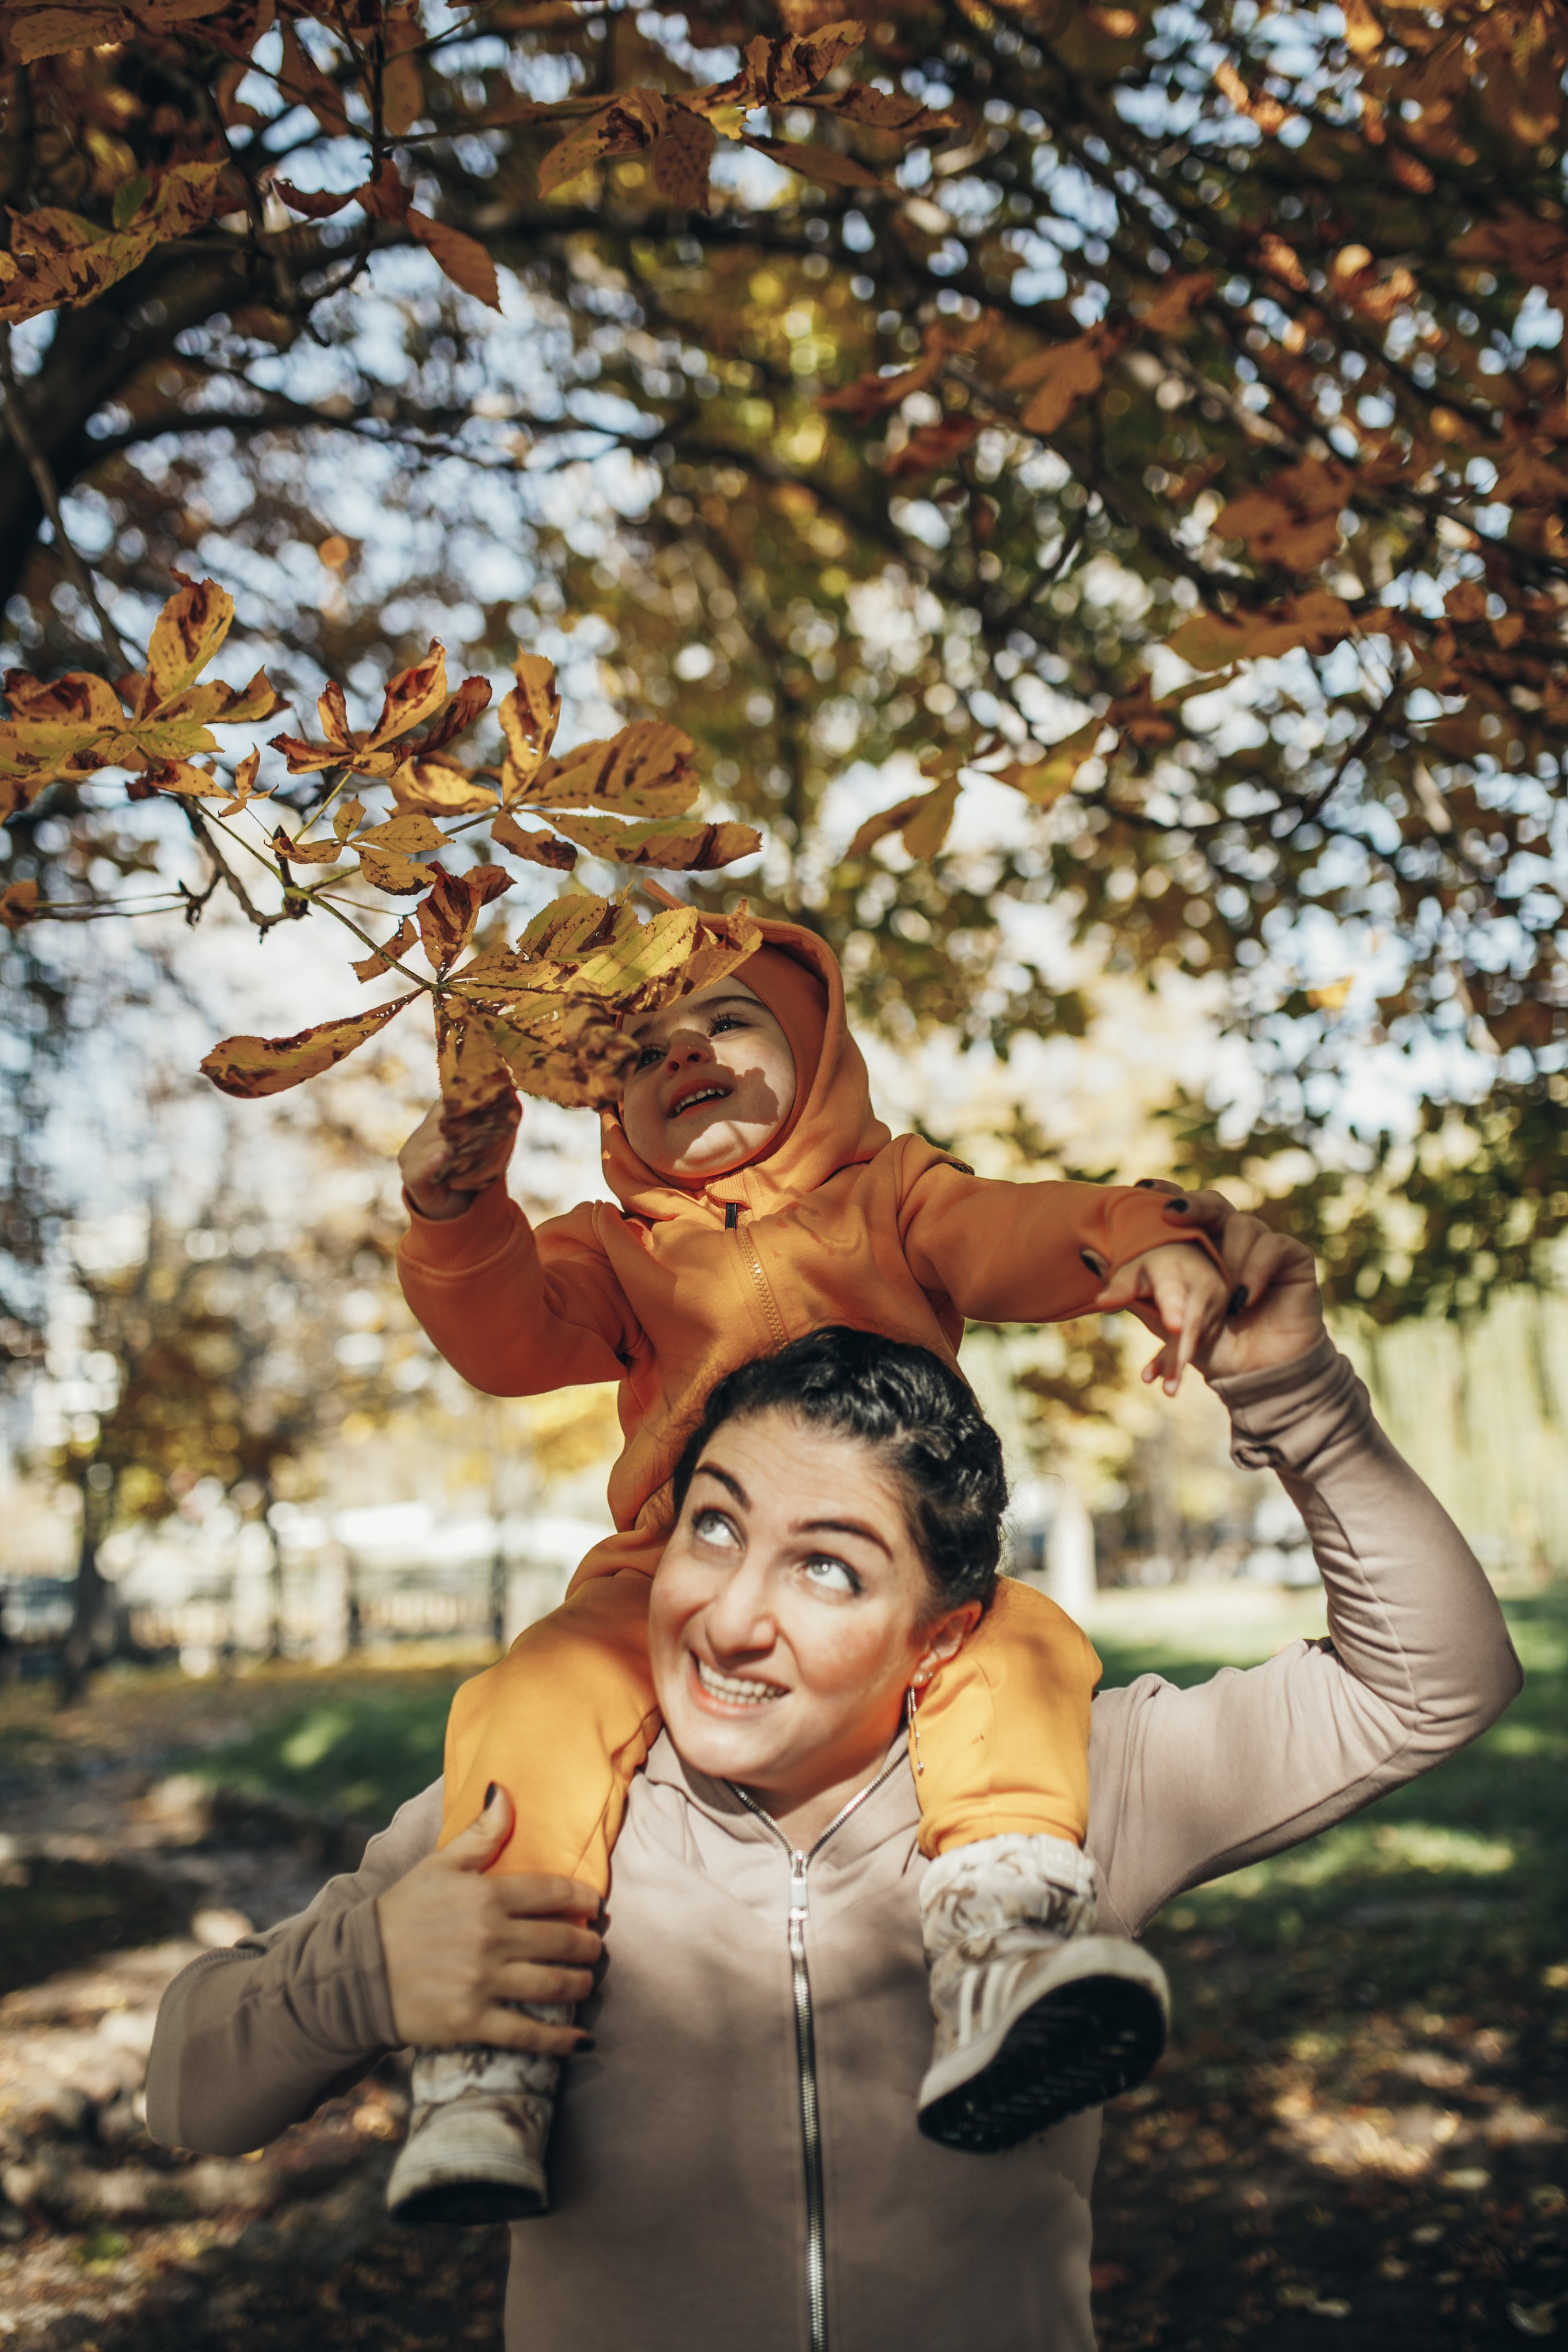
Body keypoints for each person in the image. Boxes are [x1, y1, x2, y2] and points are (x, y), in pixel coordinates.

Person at [146, 1223, 1521, 2352]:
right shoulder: (538, 1809)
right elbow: (187, 2093)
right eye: (716, 1527)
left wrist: (1303, 1406)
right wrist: (364, 1976)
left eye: (826, 1567)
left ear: (937, 1639)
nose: (730, 1616)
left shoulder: (1068, 1789)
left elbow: (1429, 1682)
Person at [390, 916, 1233, 2217]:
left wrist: (1135, 1239)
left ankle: (997, 1951)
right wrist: (458, 1207)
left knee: (1017, 1645)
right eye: (641, 1049)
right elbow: (508, 1335)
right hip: (672, 1563)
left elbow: (1015, 1231)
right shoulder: (614, 1250)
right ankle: (487, 2058)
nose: (684, 1054)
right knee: (536, 1693)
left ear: (819, 1048)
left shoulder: (894, 1195)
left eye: (727, 1022)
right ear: (610, 1111)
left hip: (887, 1557)